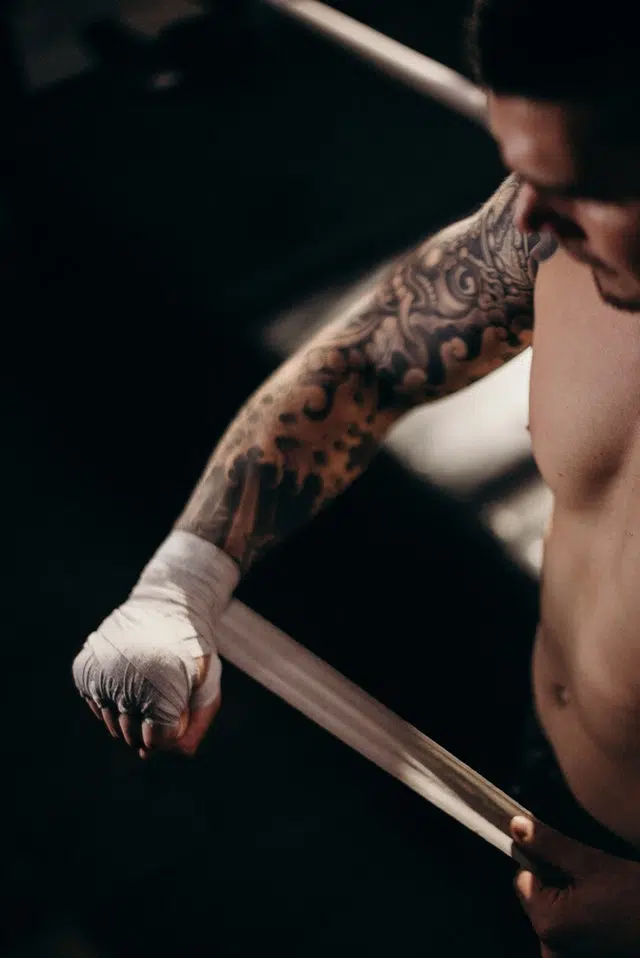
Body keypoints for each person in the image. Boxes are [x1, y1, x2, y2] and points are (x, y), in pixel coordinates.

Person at [72, 0, 640, 953]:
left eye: (580, 187)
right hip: (551, 788)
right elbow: (373, 358)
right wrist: (184, 581)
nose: (531, 216)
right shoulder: (554, 224)